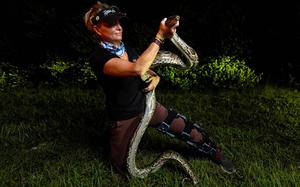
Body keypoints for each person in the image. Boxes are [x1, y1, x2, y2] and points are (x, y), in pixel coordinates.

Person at [83, 1, 236, 175]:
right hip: (125, 117)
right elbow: (137, 69)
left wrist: (156, 78)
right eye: (111, 24)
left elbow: (147, 70)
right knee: (123, 170)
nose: (118, 27)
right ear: (96, 29)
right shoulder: (99, 58)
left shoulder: (129, 50)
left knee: (190, 130)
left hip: (149, 106)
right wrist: (160, 36)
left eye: (118, 22)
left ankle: (217, 155)